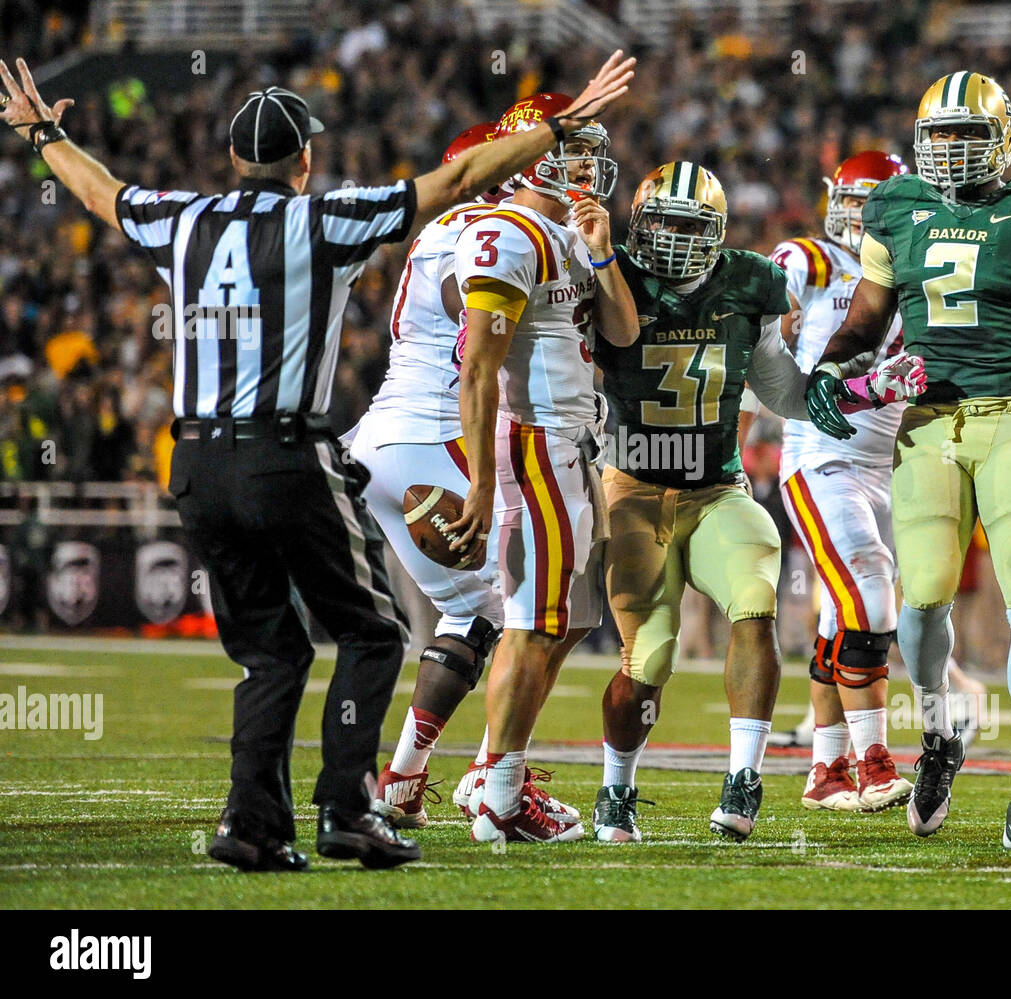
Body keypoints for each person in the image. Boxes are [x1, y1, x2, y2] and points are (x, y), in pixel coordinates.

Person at [0, 52, 635, 871]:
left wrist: (44, 134)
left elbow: (99, 191)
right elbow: (455, 179)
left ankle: (253, 824)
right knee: (373, 633)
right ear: (304, 159)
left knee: (269, 653)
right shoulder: (324, 218)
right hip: (285, 452)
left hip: (193, 462)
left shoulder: (181, 218)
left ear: (233, 160)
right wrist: (556, 120)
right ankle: (350, 807)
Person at [806, 71, 1011, 853]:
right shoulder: (896, 207)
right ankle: (942, 731)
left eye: (965, 134)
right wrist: (828, 368)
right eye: (938, 135)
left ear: (1002, 139)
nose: (950, 150)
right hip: (927, 426)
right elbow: (864, 319)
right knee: (918, 608)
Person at [589, 161, 923, 843]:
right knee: (649, 659)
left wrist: (866, 388)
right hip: (635, 489)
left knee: (756, 593)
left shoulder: (748, 281)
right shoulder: (609, 275)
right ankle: (614, 786)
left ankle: (745, 777)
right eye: (666, 224)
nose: (678, 239)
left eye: (692, 225)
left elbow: (785, 391)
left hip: (717, 487)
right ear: (638, 224)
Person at [347, 123, 572, 830]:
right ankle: (493, 779)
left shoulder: (439, 228)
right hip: (432, 440)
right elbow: (473, 334)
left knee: (472, 612)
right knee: (539, 613)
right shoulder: (488, 232)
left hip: (378, 442)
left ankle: (403, 779)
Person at [453, 92, 641, 845]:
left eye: (594, 148)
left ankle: (489, 769)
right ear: (526, 152)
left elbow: (622, 332)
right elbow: (478, 365)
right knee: (534, 620)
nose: (588, 163)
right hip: (532, 438)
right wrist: (481, 476)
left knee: (568, 620)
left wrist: (600, 253)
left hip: (576, 442)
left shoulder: (570, 232)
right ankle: (500, 790)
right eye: (573, 147)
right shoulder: (508, 231)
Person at [772, 150, 915, 813]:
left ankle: (826, 770)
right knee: (873, 593)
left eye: (872, 203)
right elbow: (785, 376)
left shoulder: (910, 272)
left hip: (881, 466)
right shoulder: (810, 261)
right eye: (851, 202)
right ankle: (875, 760)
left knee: (839, 611)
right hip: (821, 457)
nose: (859, 216)